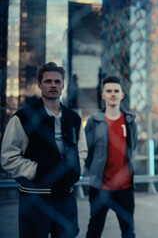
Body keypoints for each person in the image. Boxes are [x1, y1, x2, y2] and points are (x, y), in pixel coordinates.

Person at [1, 62, 87, 237]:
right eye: (48, 81)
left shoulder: (73, 119)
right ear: (39, 85)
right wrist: (38, 170)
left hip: (65, 197)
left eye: (57, 81)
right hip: (34, 197)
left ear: (63, 85)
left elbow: (82, 151)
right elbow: (8, 157)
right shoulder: (22, 118)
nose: (53, 85)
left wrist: (76, 170)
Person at [84, 76, 138, 238]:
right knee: (94, 229)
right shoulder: (94, 122)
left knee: (128, 231)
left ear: (122, 95)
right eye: (109, 91)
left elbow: (132, 147)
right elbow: (87, 152)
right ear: (103, 95)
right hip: (100, 187)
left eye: (116, 91)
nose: (112, 94)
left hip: (125, 188)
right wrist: (94, 171)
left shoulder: (129, 121)